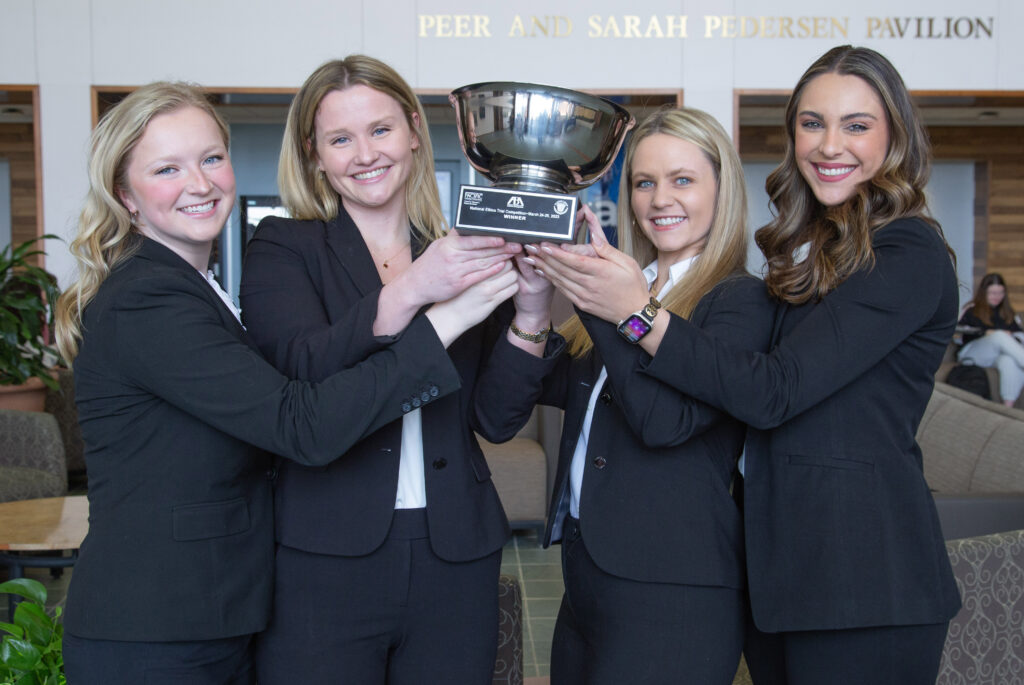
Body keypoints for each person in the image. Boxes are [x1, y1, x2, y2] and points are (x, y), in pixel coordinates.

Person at [529, 45, 962, 685]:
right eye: (811, 123)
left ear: (895, 136)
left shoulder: (909, 252)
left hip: (865, 579)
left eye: (857, 125)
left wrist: (634, 313)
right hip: (782, 575)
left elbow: (771, 391)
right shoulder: (815, 253)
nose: (829, 144)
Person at [53, 81, 510, 684]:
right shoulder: (149, 298)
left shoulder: (194, 287)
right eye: (167, 169)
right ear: (125, 196)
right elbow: (301, 425)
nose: (200, 183)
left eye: (211, 158)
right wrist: (446, 315)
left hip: (212, 612)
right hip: (157, 625)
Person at [237, 56, 560, 684]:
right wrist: (415, 289)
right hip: (325, 554)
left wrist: (531, 308)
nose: (365, 154)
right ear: (315, 155)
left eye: (380, 130)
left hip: (455, 549)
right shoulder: (283, 245)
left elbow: (495, 418)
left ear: (414, 130)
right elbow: (303, 370)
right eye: (340, 138)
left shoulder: (454, 249)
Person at [482, 107, 775, 683]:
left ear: (723, 191)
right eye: (645, 182)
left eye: (682, 180)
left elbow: (663, 422)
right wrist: (535, 303)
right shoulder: (627, 286)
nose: (660, 199)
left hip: (675, 590)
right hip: (589, 577)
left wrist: (613, 308)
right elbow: (499, 413)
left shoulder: (738, 301)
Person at [957, 272, 1024, 406]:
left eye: (1000, 293)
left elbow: (1020, 335)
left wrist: (1011, 335)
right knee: (999, 336)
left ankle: (1008, 408)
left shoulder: (1008, 313)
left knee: (1008, 360)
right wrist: (986, 332)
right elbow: (958, 329)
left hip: (996, 356)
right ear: (984, 292)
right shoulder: (971, 309)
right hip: (972, 354)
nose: (997, 297)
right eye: (992, 293)